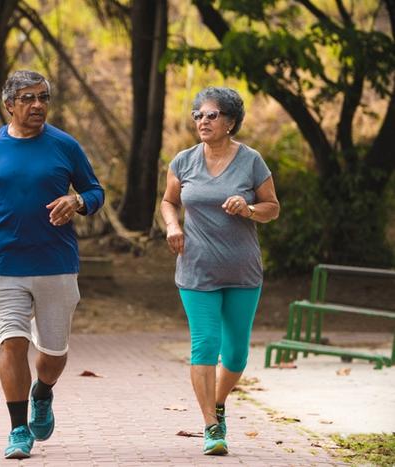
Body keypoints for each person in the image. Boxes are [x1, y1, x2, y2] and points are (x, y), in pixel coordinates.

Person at [0, 70, 104, 459]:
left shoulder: (64, 146)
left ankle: (43, 391)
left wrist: (78, 202)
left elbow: (94, 189)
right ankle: (18, 428)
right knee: (12, 341)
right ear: (9, 105)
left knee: (52, 354)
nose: (38, 105)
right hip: (3, 261)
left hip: (56, 261)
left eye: (44, 97)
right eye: (29, 98)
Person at [161, 86, 280, 455]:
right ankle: (212, 427)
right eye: (198, 115)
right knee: (205, 344)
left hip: (242, 271)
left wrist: (248, 208)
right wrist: (173, 226)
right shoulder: (183, 161)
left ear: (230, 121)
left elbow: (272, 207)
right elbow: (168, 201)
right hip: (196, 271)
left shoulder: (252, 161)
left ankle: (218, 402)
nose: (203, 121)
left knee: (236, 355)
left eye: (211, 115)